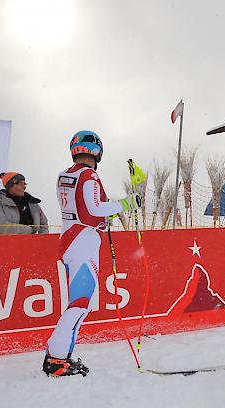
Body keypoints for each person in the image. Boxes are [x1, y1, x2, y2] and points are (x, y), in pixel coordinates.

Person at [43, 130, 141, 377]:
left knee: (79, 304)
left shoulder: (65, 174)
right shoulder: (89, 175)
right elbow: (94, 208)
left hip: (70, 239)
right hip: (83, 241)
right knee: (80, 304)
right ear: (97, 151)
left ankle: (60, 355)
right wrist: (126, 204)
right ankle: (56, 360)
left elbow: (80, 208)